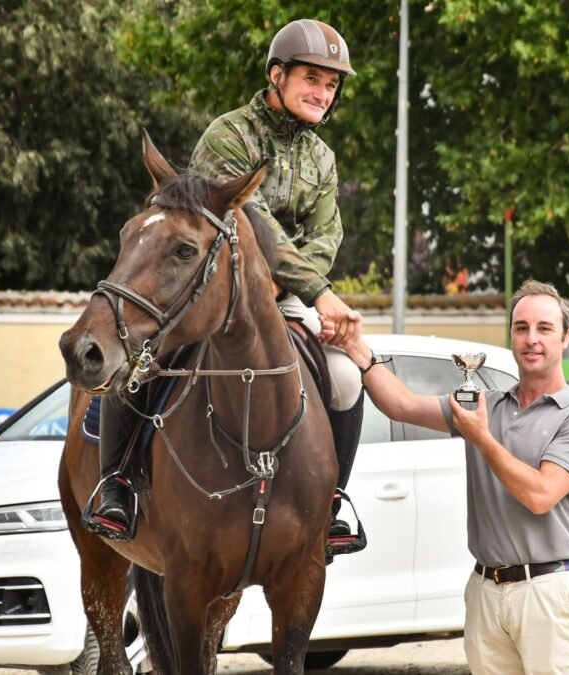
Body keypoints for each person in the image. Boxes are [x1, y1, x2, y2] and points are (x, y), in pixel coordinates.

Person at [91, 19, 366, 549]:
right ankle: (117, 483)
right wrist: (318, 291)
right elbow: (254, 225)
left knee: (346, 376)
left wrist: (295, 290)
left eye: (331, 85)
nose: (322, 93)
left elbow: (327, 235)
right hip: (212, 294)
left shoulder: (323, 158)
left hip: (285, 299)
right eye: (311, 79)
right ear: (277, 75)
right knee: (143, 359)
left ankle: (332, 500)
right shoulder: (228, 136)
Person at [334, 279, 569, 673]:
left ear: (565, 337)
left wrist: (481, 437)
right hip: (485, 590)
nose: (531, 339)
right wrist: (356, 347)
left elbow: (540, 496)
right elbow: (401, 404)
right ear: (511, 335)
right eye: (522, 328)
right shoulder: (486, 405)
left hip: (548, 592)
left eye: (544, 328)